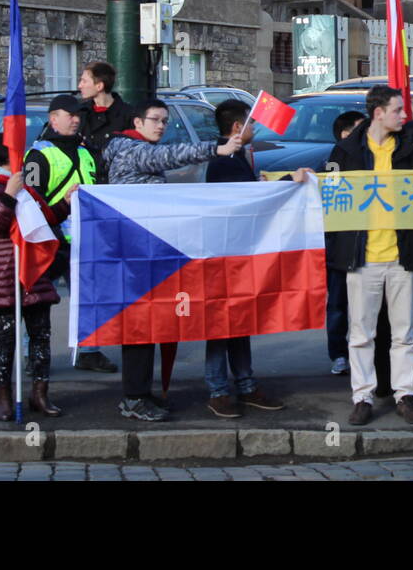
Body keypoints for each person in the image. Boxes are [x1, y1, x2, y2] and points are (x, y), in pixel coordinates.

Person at [102, 99, 252, 422]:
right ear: (138, 123)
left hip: (146, 252)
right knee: (139, 329)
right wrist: (217, 148)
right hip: (135, 255)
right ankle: (133, 398)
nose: (161, 126)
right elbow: (169, 156)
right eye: (154, 119)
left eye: (165, 121)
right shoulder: (131, 149)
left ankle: (140, 393)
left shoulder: (132, 147)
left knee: (149, 326)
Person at [326, 86, 413, 426]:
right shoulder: (345, 151)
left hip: (405, 256)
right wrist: (292, 178)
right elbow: (323, 188)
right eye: (399, 110)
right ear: (378, 113)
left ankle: (406, 394)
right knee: (361, 334)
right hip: (362, 258)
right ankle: (362, 396)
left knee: (406, 332)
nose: (405, 116)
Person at [0, 133, 70, 421]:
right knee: (6, 336)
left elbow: (45, 218)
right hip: (6, 272)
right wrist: (9, 194)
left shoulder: (24, 187)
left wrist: (64, 203)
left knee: (41, 334)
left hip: (34, 271)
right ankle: (3, 395)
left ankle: (40, 393)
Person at [23, 94, 117, 374]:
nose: (76, 120)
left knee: (89, 297)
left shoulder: (87, 152)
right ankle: (34, 354)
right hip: (50, 238)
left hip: (84, 238)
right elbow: (30, 201)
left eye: (79, 115)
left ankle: (89, 351)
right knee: (37, 299)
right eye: (70, 115)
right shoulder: (38, 154)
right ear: (54, 119)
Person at [202, 99, 283, 418]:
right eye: (251, 123)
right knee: (221, 322)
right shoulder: (223, 159)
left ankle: (245, 385)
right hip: (224, 253)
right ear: (237, 127)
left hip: (239, 252)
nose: (254, 129)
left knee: (239, 319)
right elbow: (239, 203)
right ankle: (219, 388)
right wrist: (285, 185)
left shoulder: (235, 156)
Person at [324, 110, 366, 375]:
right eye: (360, 129)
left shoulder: (372, 158)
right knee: (338, 303)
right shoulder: (333, 159)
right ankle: (339, 354)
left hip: (367, 244)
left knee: (365, 306)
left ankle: (365, 356)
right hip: (339, 244)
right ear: (345, 134)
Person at [77, 62, 135, 160]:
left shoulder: (128, 115)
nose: (80, 85)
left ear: (99, 86)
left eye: (84, 81)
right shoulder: (80, 112)